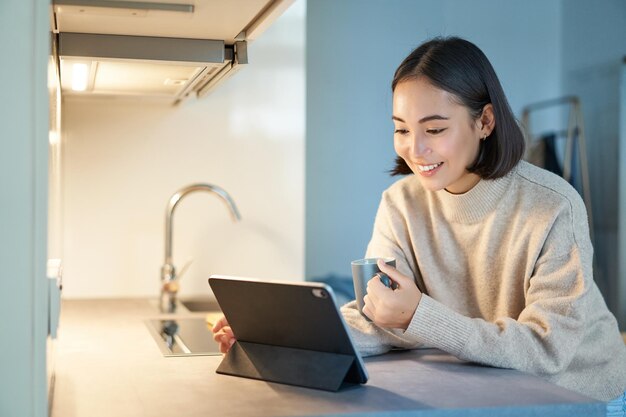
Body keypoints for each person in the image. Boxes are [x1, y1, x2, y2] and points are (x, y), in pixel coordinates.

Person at [213, 36, 626, 411]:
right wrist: (278, 336)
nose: (416, 149)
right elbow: (382, 316)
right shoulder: (400, 203)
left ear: (484, 122)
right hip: (493, 386)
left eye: (435, 129)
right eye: (401, 130)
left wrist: (419, 316)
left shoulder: (553, 204)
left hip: (583, 395)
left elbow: (546, 349)